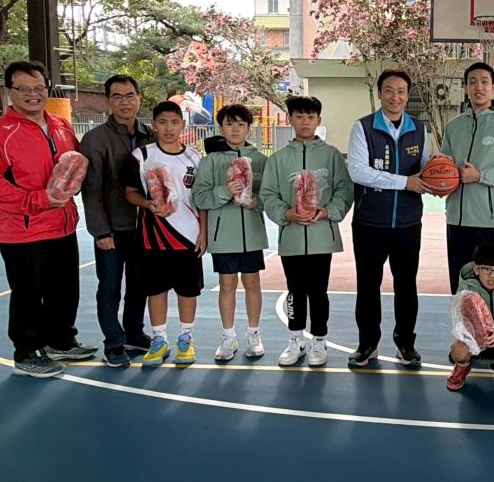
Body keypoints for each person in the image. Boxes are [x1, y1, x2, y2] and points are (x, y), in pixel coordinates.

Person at [0, 60, 97, 378]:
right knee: (28, 294)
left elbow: (75, 168)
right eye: (24, 88)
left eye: (39, 87)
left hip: (63, 225)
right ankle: (27, 351)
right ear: (10, 91)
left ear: (47, 88)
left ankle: (61, 341)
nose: (33, 94)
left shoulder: (60, 126)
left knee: (64, 290)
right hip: (23, 230)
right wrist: (37, 200)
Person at [347, 70, 432, 368]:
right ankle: (367, 344)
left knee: (406, 286)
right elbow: (358, 171)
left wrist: (438, 180)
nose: (395, 97)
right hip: (370, 223)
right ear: (380, 93)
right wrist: (405, 182)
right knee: (368, 286)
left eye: (401, 91)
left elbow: (426, 168)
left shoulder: (420, 129)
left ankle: (405, 344)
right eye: (389, 90)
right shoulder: (363, 127)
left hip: (408, 223)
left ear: (408, 95)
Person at [260, 96, 353, 367]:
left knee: (319, 291)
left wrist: (327, 211)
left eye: (310, 117)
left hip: (322, 237)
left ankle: (319, 340)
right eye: (299, 116)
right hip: (291, 238)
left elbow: (345, 190)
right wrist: (286, 213)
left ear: (318, 120)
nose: (305, 122)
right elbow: (268, 194)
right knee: (295, 290)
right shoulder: (278, 159)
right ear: (289, 119)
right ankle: (296, 338)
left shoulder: (331, 155)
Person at [122, 101, 207, 367]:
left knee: (187, 291)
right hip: (153, 236)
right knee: (156, 290)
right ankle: (159, 340)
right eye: (162, 122)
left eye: (174, 122)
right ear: (154, 124)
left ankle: (186, 339)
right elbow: (130, 193)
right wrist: (148, 204)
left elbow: (201, 199)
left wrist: (203, 232)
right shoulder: (141, 156)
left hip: (188, 236)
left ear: (182, 125)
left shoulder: (194, 157)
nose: (169, 128)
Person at [79, 74, 156, 368]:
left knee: (139, 285)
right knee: (110, 286)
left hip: (145, 227)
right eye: (117, 96)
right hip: (113, 229)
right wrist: (100, 231)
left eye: (130, 95)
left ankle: (134, 333)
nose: (125, 102)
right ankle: (113, 342)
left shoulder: (150, 135)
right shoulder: (95, 139)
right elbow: (91, 189)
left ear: (139, 98)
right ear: (108, 101)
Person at [441, 62, 494, 295]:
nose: (479, 87)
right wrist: (441, 183)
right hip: (457, 221)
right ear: (465, 88)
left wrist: (481, 176)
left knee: (493, 290)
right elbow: (445, 168)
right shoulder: (454, 127)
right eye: (472, 82)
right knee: (461, 288)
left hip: (490, 223)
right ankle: (462, 321)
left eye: (484, 82)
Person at [192, 104, 269, 362]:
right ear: (221, 128)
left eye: (241, 124)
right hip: (223, 235)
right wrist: (225, 191)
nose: (235, 129)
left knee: (252, 282)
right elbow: (200, 197)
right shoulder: (211, 161)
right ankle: (228, 336)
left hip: (252, 234)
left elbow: (271, 195)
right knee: (227, 284)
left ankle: (254, 335)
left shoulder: (260, 160)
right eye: (229, 124)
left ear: (249, 128)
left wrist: (257, 201)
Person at [446, 243, 494, 393]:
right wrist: (474, 336)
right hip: (475, 338)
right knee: (457, 352)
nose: (492, 275)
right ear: (477, 269)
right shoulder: (466, 289)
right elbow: (461, 324)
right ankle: (462, 366)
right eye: (487, 269)